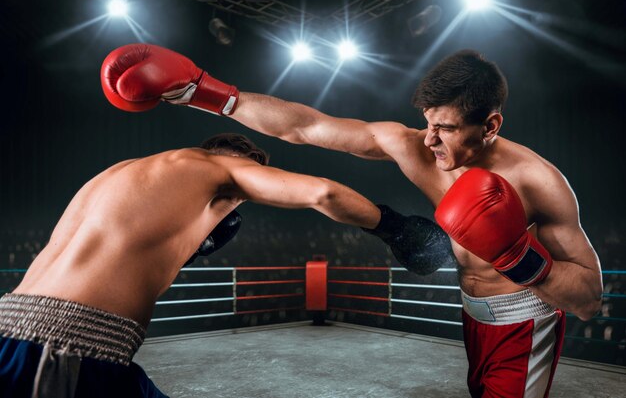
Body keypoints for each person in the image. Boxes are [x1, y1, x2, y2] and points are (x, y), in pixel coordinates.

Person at [101, 43, 604, 398]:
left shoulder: (539, 182)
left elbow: (587, 299)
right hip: (472, 313)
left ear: (490, 125)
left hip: (523, 320)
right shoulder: (416, 148)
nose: (429, 140)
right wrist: (203, 92)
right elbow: (306, 126)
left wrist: (515, 254)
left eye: (445, 129)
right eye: (427, 124)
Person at [0, 131, 451, 398]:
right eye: (244, 191)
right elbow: (322, 193)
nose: (237, 203)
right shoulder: (217, 170)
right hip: (63, 354)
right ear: (243, 163)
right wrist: (394, 228)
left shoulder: (120, 173)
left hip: (14, 331)